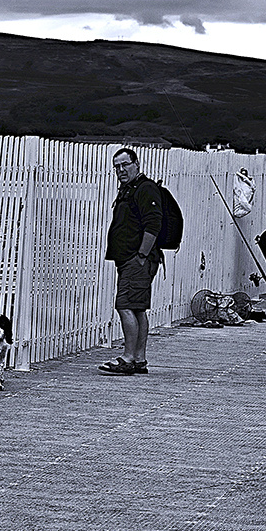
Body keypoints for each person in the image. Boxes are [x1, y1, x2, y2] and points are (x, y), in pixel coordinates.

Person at [100, 147, 163, 375]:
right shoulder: (129, 189)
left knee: (125, 304)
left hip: (138, 260)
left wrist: (141, 257)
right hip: (130, 259)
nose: (120, 170)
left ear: (136, 163)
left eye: (125, 164)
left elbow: (153, 224)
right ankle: (138, 358)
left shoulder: (145, 189)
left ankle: (128, 358)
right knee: (137, 308)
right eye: (117, 166)